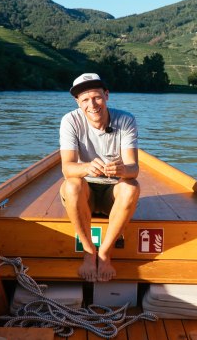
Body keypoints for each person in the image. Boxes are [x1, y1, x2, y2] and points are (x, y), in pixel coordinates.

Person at [59, 73, 140, 282]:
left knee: (131, 187)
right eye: (85, 100)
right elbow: (67, 168)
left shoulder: (126, 119)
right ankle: (88, 252)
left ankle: (104, 253)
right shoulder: (70, 120)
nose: (92, 105)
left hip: (111, 192)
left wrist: (121, 170)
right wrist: (86, 167)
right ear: (78, 102)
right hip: (87, 190)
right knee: (71, 186)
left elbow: (133, 169)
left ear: (106, 96)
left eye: (96, 97)